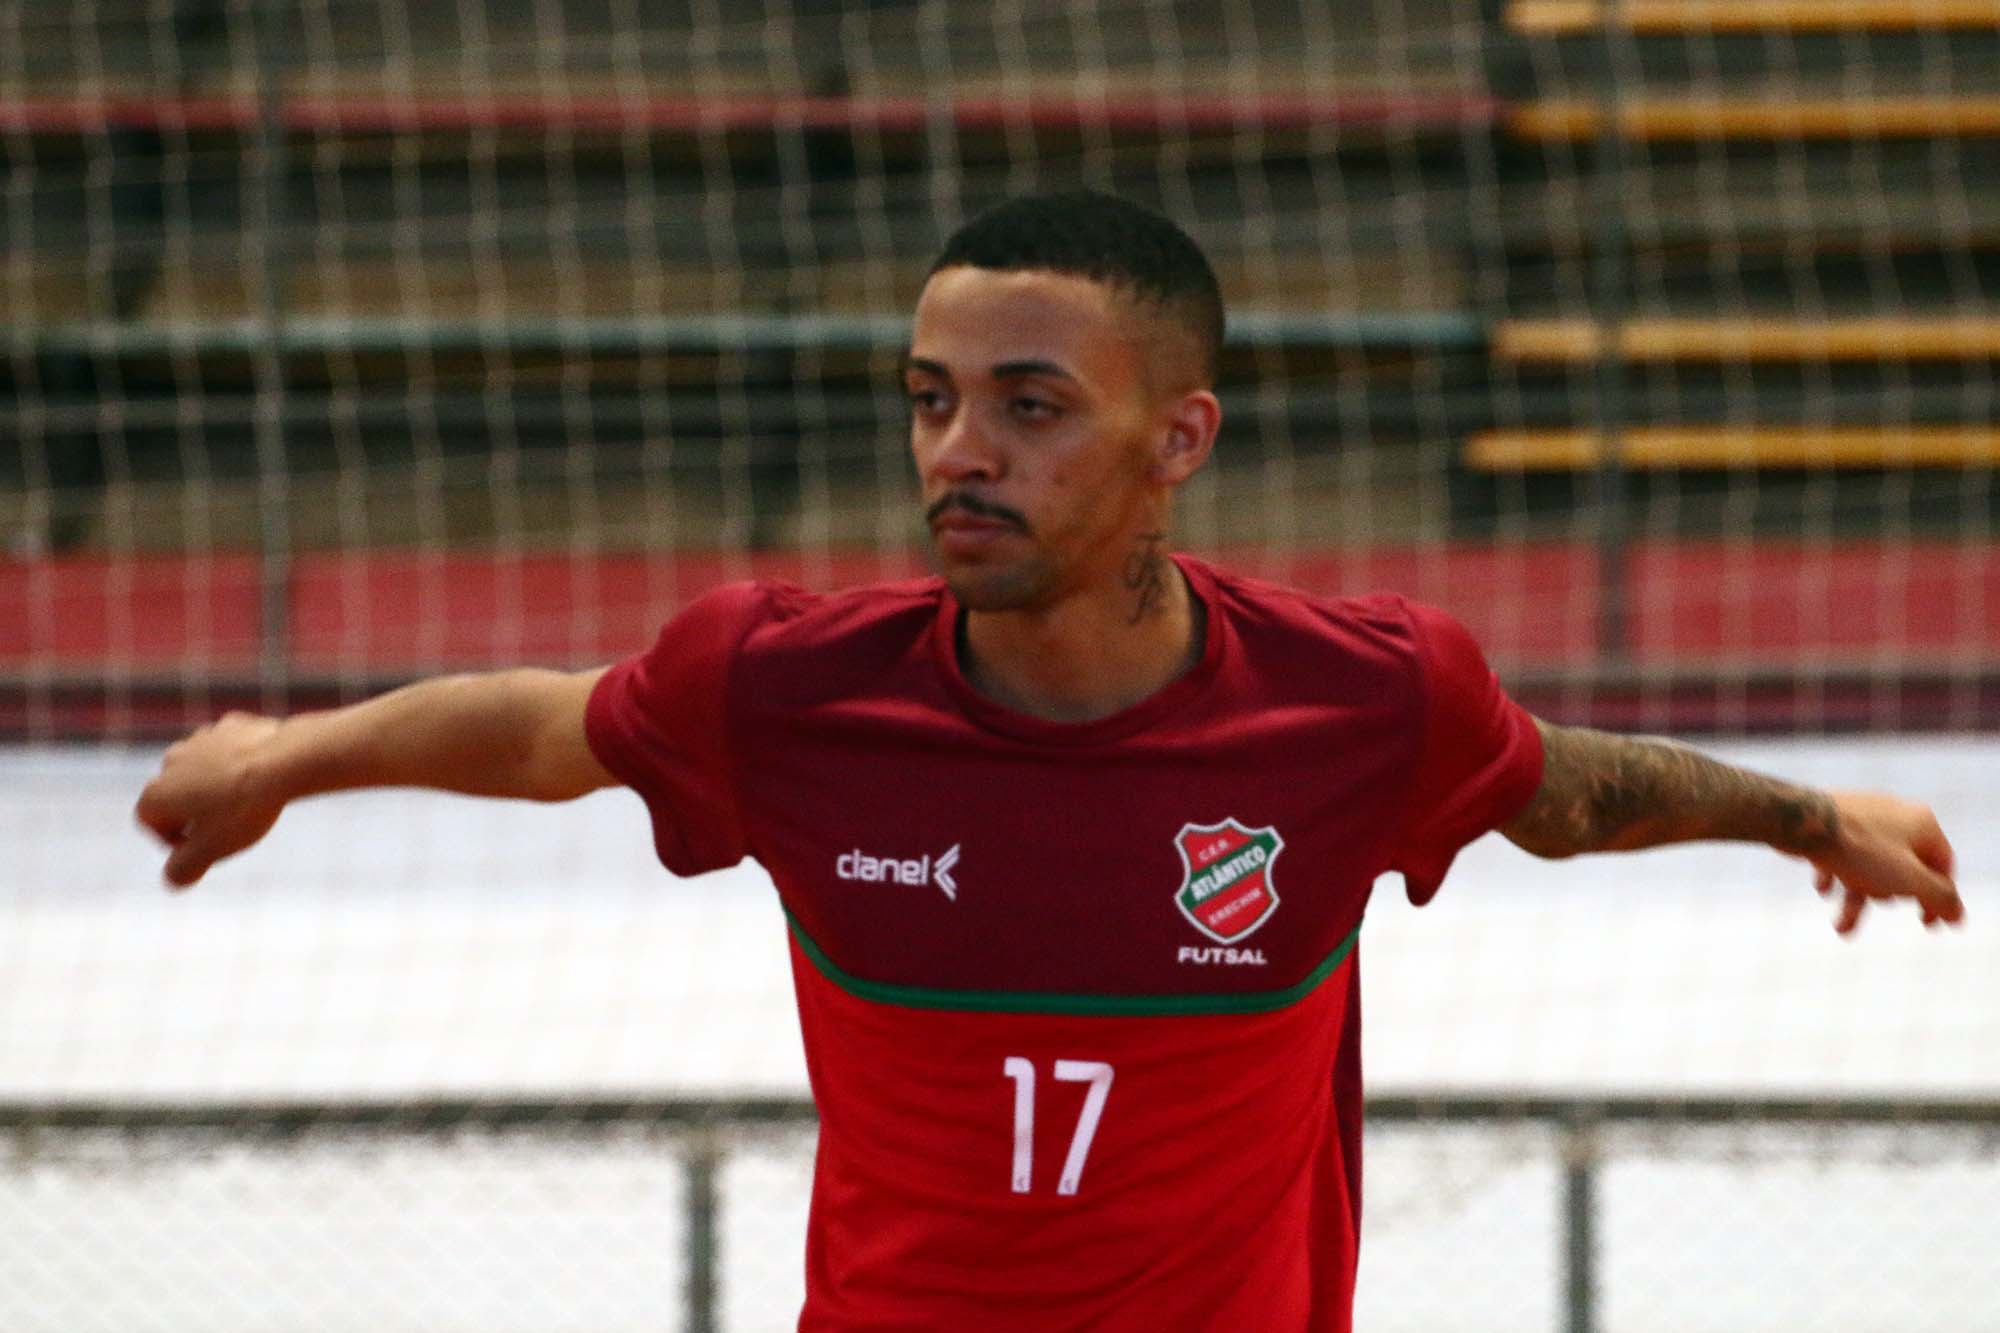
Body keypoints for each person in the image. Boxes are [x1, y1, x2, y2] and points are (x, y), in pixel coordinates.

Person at [136, 191, 1964, 1332]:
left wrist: (1812, 814)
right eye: (932, 399)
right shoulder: (777, 685)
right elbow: (547, 728)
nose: (961, 451)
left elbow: (1572, 792)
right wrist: (285, 756)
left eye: (1031, 406)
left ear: (1181, 438)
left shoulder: (1367, 700)